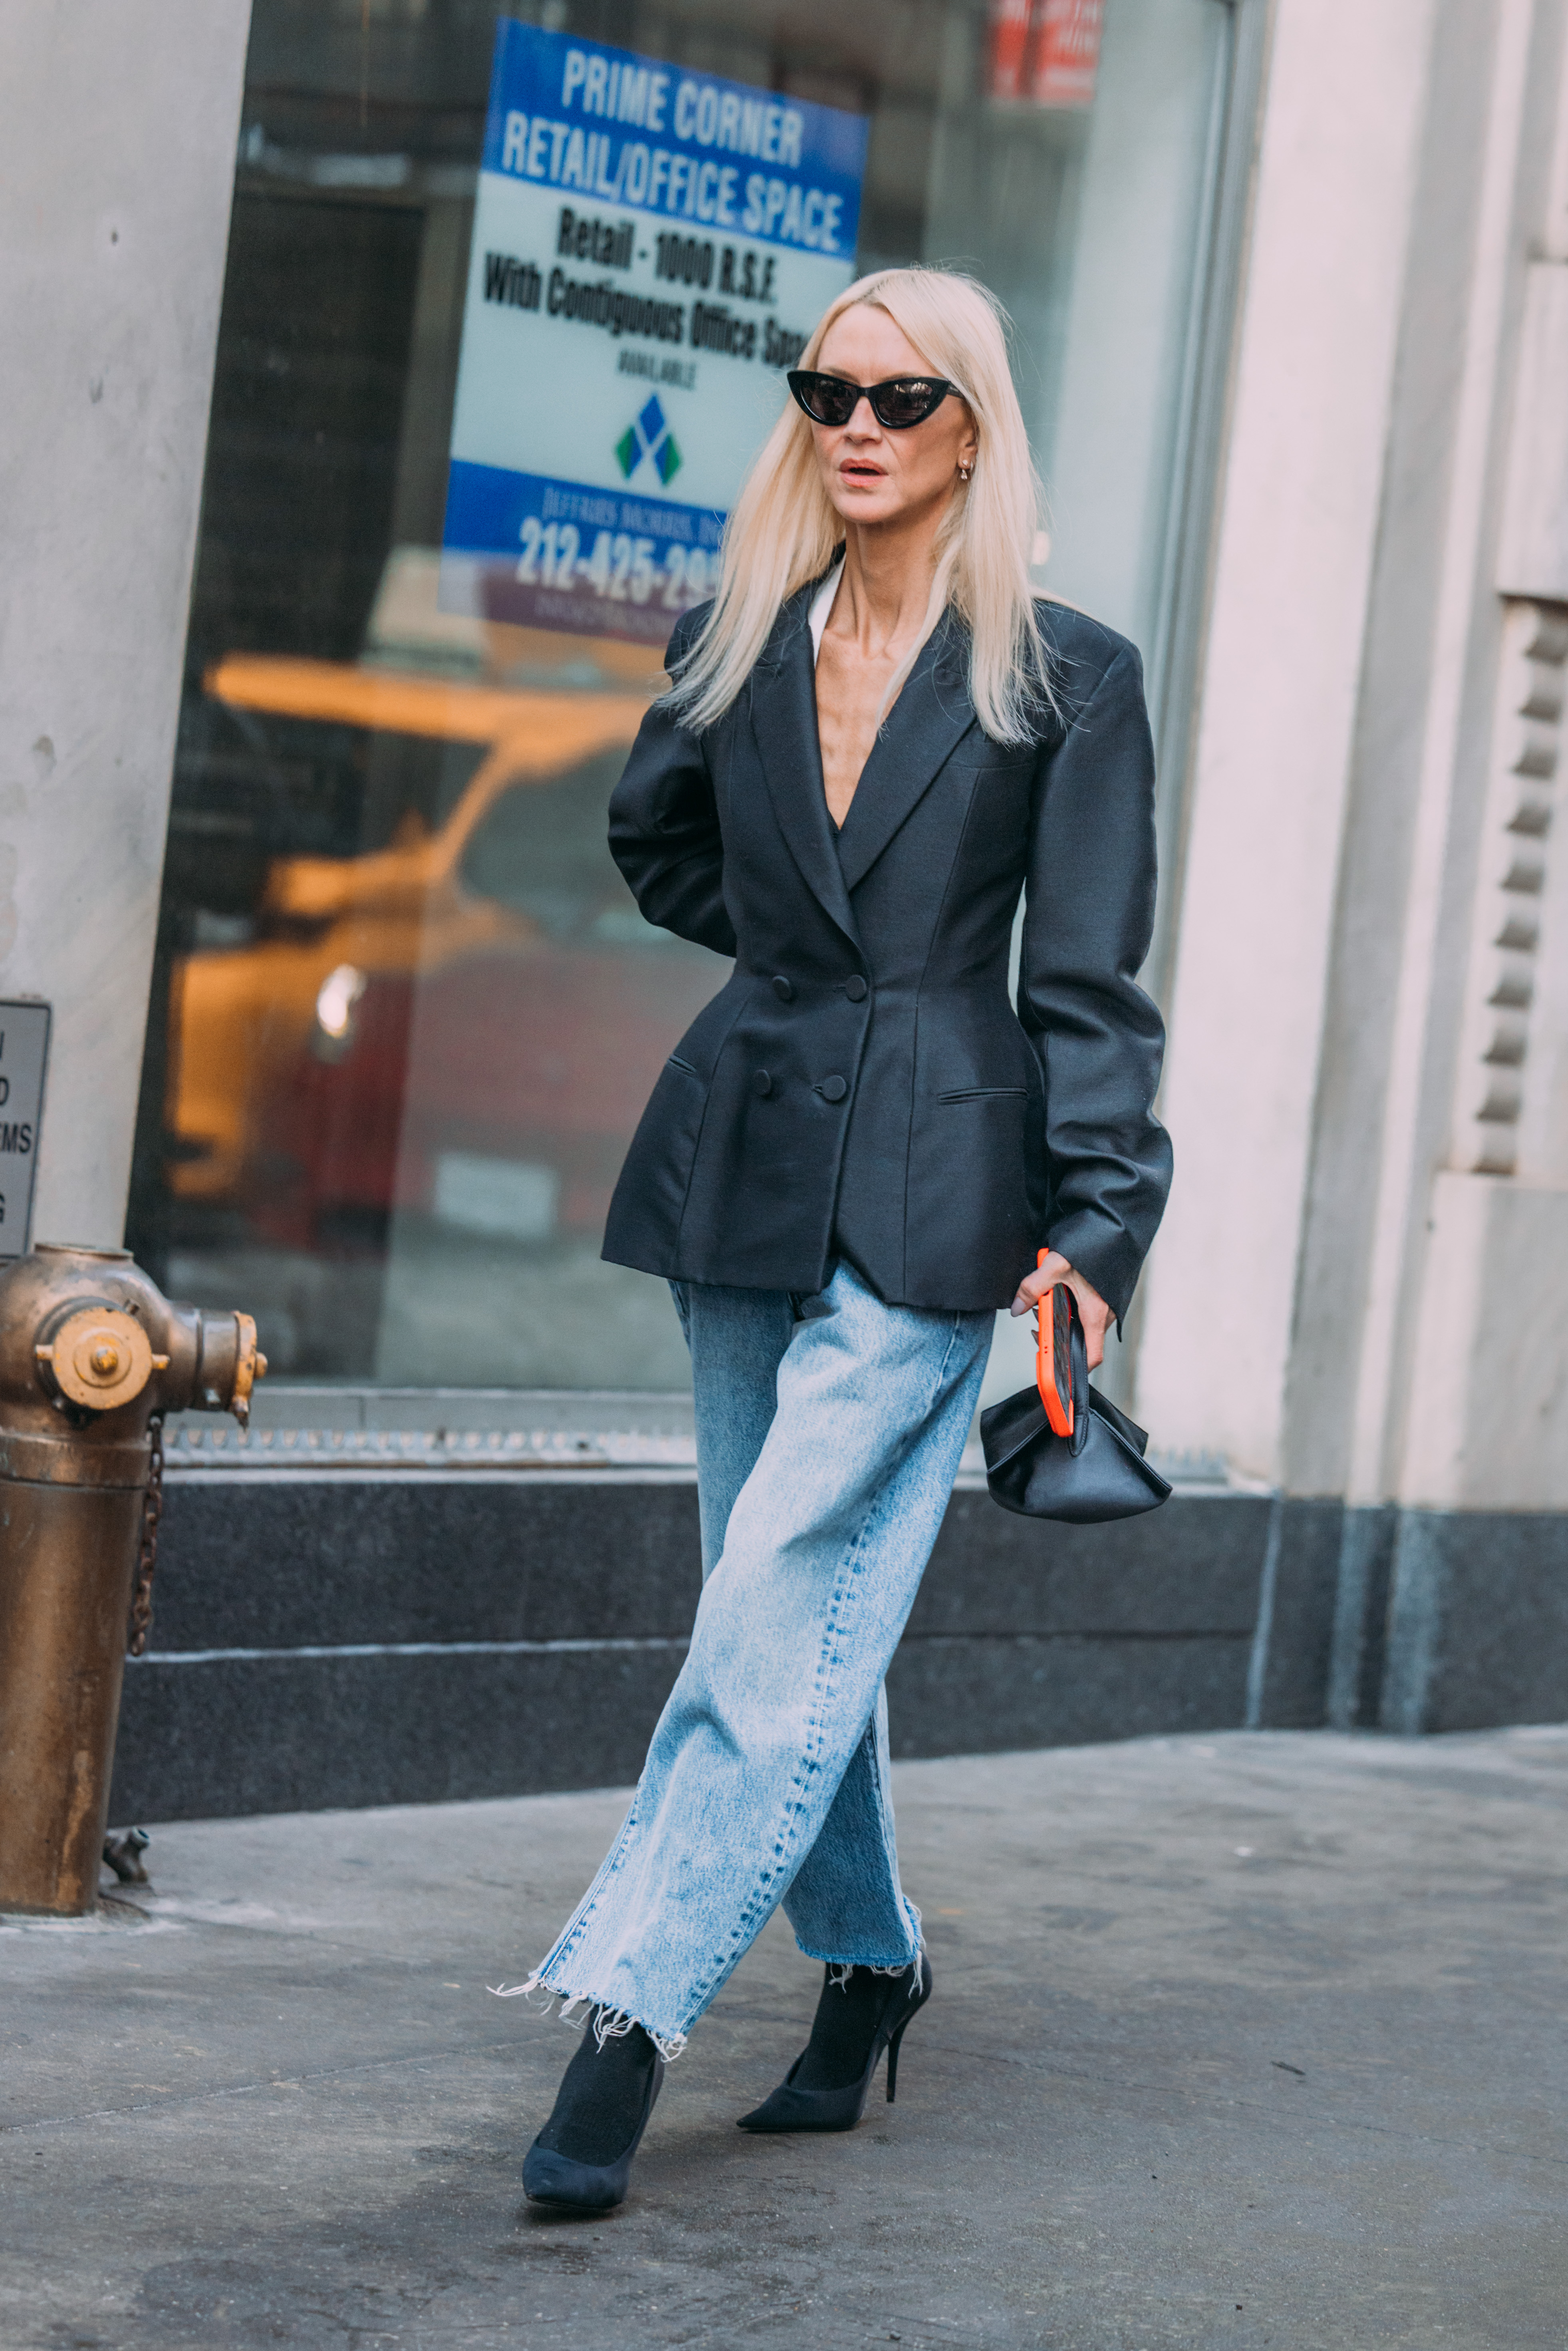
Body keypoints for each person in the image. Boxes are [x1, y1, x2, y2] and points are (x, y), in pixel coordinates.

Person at [506, 265, 1173, 2212]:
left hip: (940, 1190)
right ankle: (872, 1962)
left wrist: (1096, 1226)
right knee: (779, 1605)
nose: (856, 426)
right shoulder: (740, 636)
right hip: (744, 1154)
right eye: (827, 392)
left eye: (899, 397)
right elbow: (659, 842)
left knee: (772, 1598)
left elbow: (1089, 983)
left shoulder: (1065, 673)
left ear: (970, 426)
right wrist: (816, 967)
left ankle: (627, 2008)